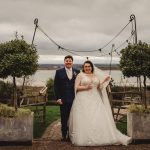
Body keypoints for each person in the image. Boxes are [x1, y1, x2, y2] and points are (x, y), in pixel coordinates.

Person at [69, 60, 132, 146]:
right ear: (83, 68)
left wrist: (104, 81)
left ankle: (102, 136)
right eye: (85, 66)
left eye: (89, 66)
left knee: (97, 116)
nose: (87, 68)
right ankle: (86, 137)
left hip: (95, 99)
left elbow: (98, 87)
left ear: (92, 67)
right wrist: (85, 87)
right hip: (83, 99)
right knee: (86, 117)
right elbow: (76, 87)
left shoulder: (95, 76)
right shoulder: (80, 75)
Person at [54, 55, 80, 141]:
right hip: (63, 100)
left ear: (72, 62)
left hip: (74, 99)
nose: (68, 62)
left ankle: (70, 135)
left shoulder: (77, 71)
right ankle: (64, 135)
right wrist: (58, 98)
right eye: (67, 61)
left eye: (70, 61)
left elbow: (79, 84)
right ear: (64, 62)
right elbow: (56, 86)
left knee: (72, 118)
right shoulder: (58, 72)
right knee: (64, 118)